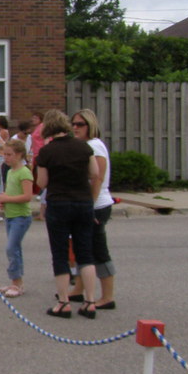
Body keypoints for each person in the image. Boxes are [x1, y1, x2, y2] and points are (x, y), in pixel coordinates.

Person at [35, 110, 99, 319]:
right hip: (83, 202)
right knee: (85, 253)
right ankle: (90, 301)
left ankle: (63, 302)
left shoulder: (47, 151)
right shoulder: (84, 147)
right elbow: (95, 173)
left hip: (59, 203)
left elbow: (42, 183)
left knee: (60, 253)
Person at [68, 109, 117, 310]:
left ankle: (107, 296)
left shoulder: (94, 146)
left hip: (96, 206)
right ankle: (78, 290)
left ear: (90, 126)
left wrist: (89, 205)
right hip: (87, 204)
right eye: (74, 124)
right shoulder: (86, 146)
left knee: (98, 250)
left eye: (80, 124)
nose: (75, 127)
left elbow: (97, 177)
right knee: (82, 249)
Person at [0, 139, 34, 298]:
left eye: (9, 155)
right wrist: (4, 200)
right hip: (11, 215)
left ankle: (18, 283)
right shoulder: (10, 171)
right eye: (4, 154)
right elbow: (10, 192)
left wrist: (7, 199)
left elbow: (27, 196)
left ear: (19, 155)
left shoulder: (24, 172)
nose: (6, 158)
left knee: (12, 248)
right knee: (13, 248)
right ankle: (14, 281)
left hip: (21, 216)